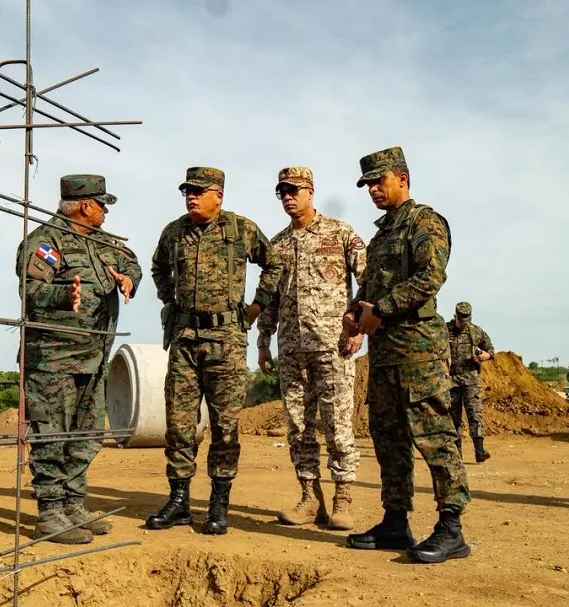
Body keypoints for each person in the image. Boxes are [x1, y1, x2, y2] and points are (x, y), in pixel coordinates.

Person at [340, 146, 470, 564]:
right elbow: (369, 288)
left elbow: (431, 277)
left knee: (435, 436)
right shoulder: (381, 235)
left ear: (402, 178)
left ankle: (451, 528)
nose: (373, 190)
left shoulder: (424, 221)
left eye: (379, 181)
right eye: (367, 185)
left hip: (419, 351)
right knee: (388, 438)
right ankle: (395, 521)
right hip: (384, 354)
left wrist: (381, 310)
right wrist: (355, 312)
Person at [146, 166, 282, 535]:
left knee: (225, 427)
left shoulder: (241, 229)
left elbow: (273, 264)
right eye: (187, 191)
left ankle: (218, 504)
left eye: (198, 191)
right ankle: (178, 501)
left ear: (218, 196)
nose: (191, 197)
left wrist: (257, 306)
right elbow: (158, 268)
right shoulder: (174, 232)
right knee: (179, 425)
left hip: (226, 341)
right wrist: (169, 299)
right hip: (185, 340)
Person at [16, 174, 142, 544]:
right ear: (85, 206)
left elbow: (131, 262)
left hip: (93, 357)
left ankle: (74, 505)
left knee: (86, 435)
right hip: (53, 359)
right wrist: (63, 296)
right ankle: (51, 512)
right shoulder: (46, 242)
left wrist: (128, 279)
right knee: (51, 436)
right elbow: (31, 288)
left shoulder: (105, 242)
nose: (105, 211)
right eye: (102, 204)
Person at [255, 166, 366, 531]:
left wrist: (360, 326)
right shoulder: (277, 245)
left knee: (337, 425)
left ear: (310, 191)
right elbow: (269, 299)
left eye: (294, 190)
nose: (288, 197)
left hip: (334, 346)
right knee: (299, 427)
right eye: (282, 192)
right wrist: (263, 342)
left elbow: (368, 280)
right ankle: (309, 497)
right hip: (291, 350)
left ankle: (342, 498)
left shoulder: (340, 233)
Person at [446, 301, 495, 462]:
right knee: (453, 418)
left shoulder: (476, 331)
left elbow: (490, 350)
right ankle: (456, 454)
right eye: (461, 322)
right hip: (451, 380)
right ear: (455, 317)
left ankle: (479, 451)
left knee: (475, 414)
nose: (464, 325)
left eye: (466, 322)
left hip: (471, 380)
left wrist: (487, 355)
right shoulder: (445, 330)